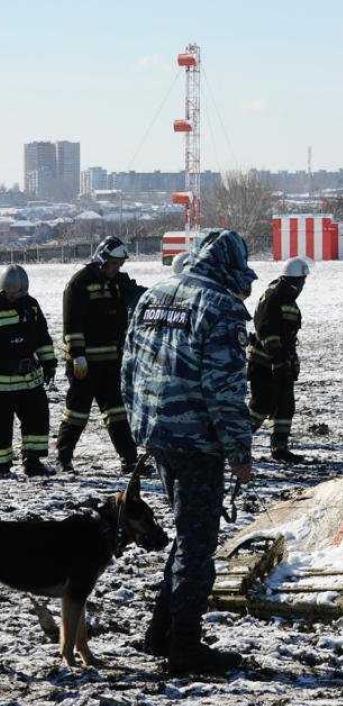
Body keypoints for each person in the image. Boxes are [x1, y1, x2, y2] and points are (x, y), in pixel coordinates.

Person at [122, 228, 257, 674]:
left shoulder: (153, 295)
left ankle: (161, 632)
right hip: (198, 441)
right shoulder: (221, 308)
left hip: (157, 433)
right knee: (197, 541)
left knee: (187, 531)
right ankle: (184, 646)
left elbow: (129, 368)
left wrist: (141, 427)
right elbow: (225, 389)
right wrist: (239, 450)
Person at [57, 236, 145, 472]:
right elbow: (71, 323)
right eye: (113, 264)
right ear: (102, 258)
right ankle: (63, 459)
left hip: (111, 361)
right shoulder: (79, 283)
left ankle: (129, 459)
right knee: (77, 412)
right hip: (84, 363)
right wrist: (77, 355)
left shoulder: (118, 281)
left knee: (117, 412)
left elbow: (140, 295)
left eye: (119, 265)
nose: (116, 269)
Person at [248, 257, 309, 462]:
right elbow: (265, 329)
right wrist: (276, 358)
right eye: (301, 280)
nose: (302, 285)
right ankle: (237, 443)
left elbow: (288, 336)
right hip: (264, 362)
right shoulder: (273, 296)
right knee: (261, 405)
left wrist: (290, 360)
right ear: (292, 279)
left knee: (285, 405)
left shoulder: (288, 299)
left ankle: (279, 448)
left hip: (282, 361)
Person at [0, 264, 56, 477]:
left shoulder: (31, 306)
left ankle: (32, 462)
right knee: (1, 425)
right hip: (3, 381)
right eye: (13, 293)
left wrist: (49, 362)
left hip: (30, 379)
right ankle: (2, 466)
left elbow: (42, 336)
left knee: (37, 418)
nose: (17, 297)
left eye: (21, 292)